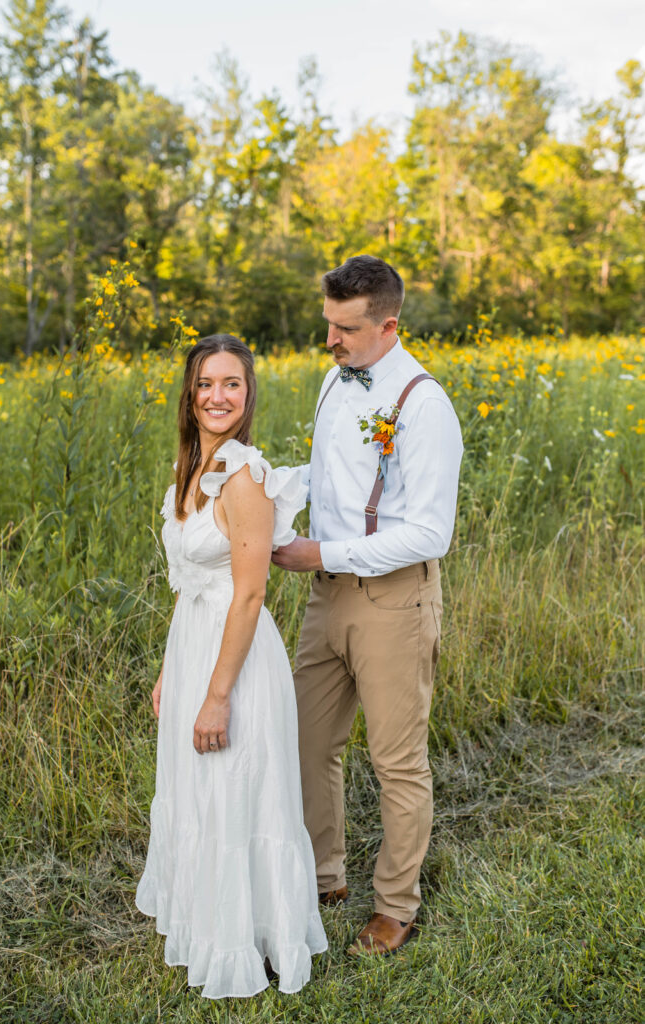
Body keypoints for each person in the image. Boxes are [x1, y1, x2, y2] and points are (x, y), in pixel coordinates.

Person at [272, 256, 463, 956]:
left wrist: (321, 555)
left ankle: (395, 906)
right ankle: (323, 878)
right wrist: (256, 490)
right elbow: (327, 481)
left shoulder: (425, 405)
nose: (330, 341)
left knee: (395, 761)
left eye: (345, 329)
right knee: (306, 741)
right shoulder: (332, 379)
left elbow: (429, 532)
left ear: (388, 325)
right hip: (326, 600)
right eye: (327, 324)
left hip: (392, 601)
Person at [136, 334, 327, 999]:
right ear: (189, 396)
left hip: (235, 658)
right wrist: (171, 671)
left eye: (232, 385)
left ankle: (252, 937)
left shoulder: (245, 475)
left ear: (248, 395)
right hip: (194, 642)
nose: (218, 396)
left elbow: (249, 593)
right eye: (205, 385)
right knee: (199, 793)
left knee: (235, 789)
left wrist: (216, 697)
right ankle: (208, 921)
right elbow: (191, 581)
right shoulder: (191, 466)